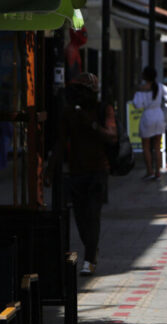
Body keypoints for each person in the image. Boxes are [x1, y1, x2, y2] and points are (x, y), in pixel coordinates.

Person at [49, 73, 116, 276]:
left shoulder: (103, 109)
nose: (79, 95)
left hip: (98, 171)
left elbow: (112, 136)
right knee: (80, 218)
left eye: (83, 91)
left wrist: (92, 125)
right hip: (76, 172)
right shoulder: (69, 113)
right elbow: (61, 142)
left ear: (92, 92)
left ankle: (89, 259)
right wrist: (50, 169)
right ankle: (91, 249)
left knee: (93, 215)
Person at [133, 67, 167, 179]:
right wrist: (165, 99)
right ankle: (158, 172)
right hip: (158, 115)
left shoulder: (141, 89)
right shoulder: (160, 86)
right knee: (157, 146)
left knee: (146, 146)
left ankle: (150, 171)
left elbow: (137, 104)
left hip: (147, 116)